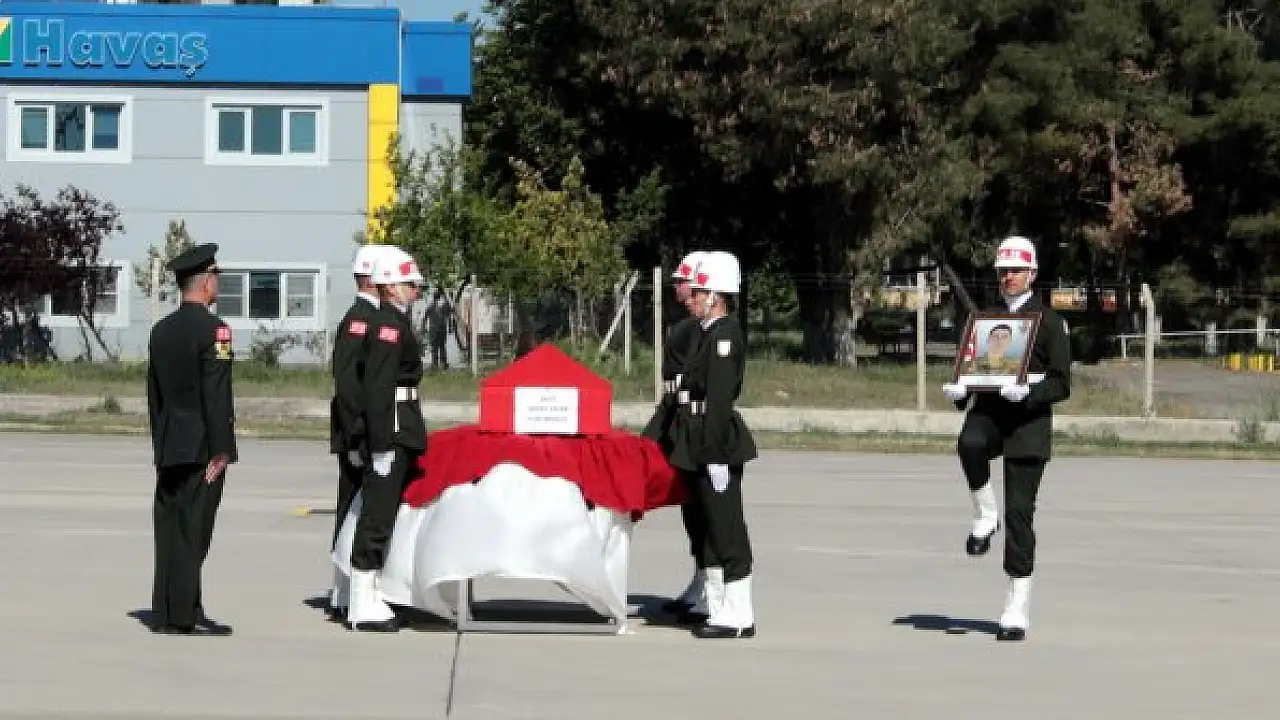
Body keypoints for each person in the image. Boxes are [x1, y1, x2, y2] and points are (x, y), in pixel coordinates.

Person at [941, 235, 1072, 642]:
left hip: (1027, 424)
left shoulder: (1049, 322)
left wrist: (1029, 393)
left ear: (1032, 273)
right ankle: (984, 514)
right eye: (1002, 272)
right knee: (969, 443)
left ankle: (1016, 606)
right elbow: (971, 366)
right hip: (991, 413)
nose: (1008, 277)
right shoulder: (986, 319)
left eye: (1015, 270)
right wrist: (960, 391)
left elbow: (1062, 382)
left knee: (1019, 514)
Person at [145, 243, 237, 637]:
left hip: (170, 442)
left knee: (169, 530)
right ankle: (183, 615)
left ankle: (169, 610)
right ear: (205, 282)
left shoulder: (161, 330)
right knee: (194, 531)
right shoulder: (215, 330)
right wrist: (221, 449)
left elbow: (155, 395)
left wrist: (159, 443)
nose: (218, 283)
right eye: (216, 276)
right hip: (201, 446)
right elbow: (216, 394)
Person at [671, 250, 759, 639]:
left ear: (715, 295)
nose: (691, 298)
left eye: (698, 292)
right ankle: (719, 603)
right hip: (699, 438)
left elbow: (720, 400)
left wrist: (715, 455)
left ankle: (740, 614)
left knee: (727, 528)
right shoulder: (707, 333)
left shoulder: (725, 335)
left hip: (716, 442)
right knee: (708, 526)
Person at [345, 247, 427, 632]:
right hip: (391, 429)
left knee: (384, 512)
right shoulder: (389, 327)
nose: (416, 291)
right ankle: (361, 601)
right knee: (376, 516)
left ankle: (372, 590)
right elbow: (378, 388)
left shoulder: (393, 321)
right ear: (391, 286)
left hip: (397, 425)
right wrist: (380, 445)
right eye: (410, 284)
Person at [642, 250, 710, 623]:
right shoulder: (685, 327)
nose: (678, 289)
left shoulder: (707, 331)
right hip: (676, 426)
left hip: (694, 431)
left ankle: (710, 589)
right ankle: (699, 581)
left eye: (684, 282)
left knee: (703, 513)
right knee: (690, 512)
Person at [325, 243, 391, 622]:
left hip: (365, 428)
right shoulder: (360, 320)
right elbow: (348, 383)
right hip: (358, 432)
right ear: (368, 279)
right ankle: (343, 590)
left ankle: (347, 589)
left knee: (359, 508)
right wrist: (354, 434)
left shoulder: (373, 316)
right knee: (352, 507)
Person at [425, 289, 452, 370]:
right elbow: (449, 317)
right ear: (439, 297)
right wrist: (450, 327)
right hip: (438, 329)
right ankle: (439, 363)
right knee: (440, 347)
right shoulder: (434, 306)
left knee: (438, 347)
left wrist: (424, 328)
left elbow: (425, 318)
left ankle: (439, 363)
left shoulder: (433, 306)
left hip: (436, 329)